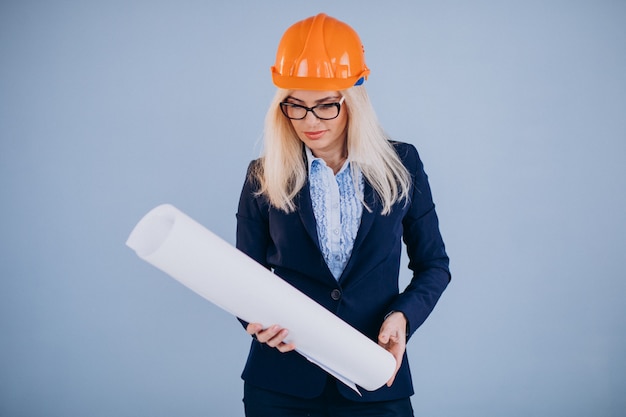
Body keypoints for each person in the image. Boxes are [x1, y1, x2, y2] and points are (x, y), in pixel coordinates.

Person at [235, 12, 450, 417]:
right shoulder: (263, 176)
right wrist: (254, 321)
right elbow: (243, 277)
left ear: (354, 98)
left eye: (325, 106)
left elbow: (434, 265)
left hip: (374, 379)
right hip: (281, 384)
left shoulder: (402, 164)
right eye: (295, 106)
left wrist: (402, 317)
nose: (309, 121)